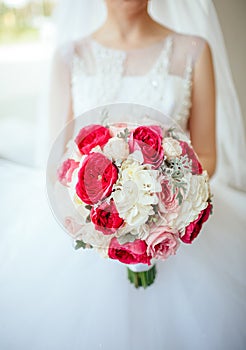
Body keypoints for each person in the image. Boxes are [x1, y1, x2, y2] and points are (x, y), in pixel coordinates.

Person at [0, 1, 245, 349]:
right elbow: (60, 160)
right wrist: (109, 214)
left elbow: (206, 156)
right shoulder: (70, 56)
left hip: (174, 228)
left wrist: (158, 201)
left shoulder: (193, 50)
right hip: (89, 234)